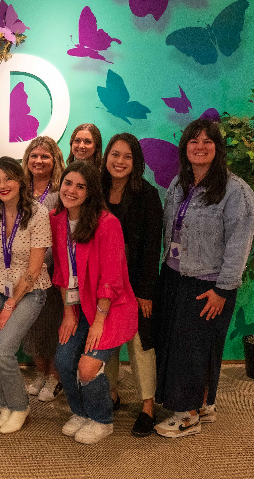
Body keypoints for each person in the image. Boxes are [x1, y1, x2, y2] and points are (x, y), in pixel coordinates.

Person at [153, 119, 254, 438]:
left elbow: (239, 242)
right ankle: (205, 403)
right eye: (193, 140)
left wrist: (222, 290)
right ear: (185, 147)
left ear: (217, 148)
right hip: (174, 276)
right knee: (191, 344)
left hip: (209, 283)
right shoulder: (179, 183)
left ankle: (186, 415)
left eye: (207, 141)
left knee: (191, 347)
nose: (200, 146)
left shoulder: (234, 189)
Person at [51, 161, 137, 444]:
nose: (72, 190)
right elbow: (63, 273)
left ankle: (102, 419)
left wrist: (98, 322)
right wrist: (69, 314)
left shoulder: (107, 224)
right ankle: (81, 412)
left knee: (87, 367)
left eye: (80, 186)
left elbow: (111, 280)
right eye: (68, 183)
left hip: (110, 309)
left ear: (90, 192)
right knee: (64, 362)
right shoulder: (57, 220)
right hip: (78, 307)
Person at [0, 157, 52, 434]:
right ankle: (6, 403)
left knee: (3, 351)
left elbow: (33, 269)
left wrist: (8, 305)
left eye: (8, 178)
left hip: (29, 292)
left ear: (20, 180)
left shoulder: (38, 213)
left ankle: (20, 407)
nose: (2, 185)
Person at [100, 133, 163, 437]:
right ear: (106, 157)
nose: (120, 161)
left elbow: (153, 247)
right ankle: (111, 394)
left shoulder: (147, 195)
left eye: (127, 156)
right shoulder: (95, 190)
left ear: (136, 162)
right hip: (103, 285)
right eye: (115, 154)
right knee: (108, 342)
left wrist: (146, 292)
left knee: (140, 345)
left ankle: (148, 406)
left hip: (136, 285)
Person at [21, 136, 66, 403]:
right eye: (34, 156)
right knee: (32, 329)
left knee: (52, 326)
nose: (38, 161)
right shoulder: (20, 190)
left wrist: (44, 266)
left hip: (51, 271)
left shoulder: (61, 193)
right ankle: (40, 373)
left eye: (45, 157)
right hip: (22, 272)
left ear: (55, 161)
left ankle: (54, 378)